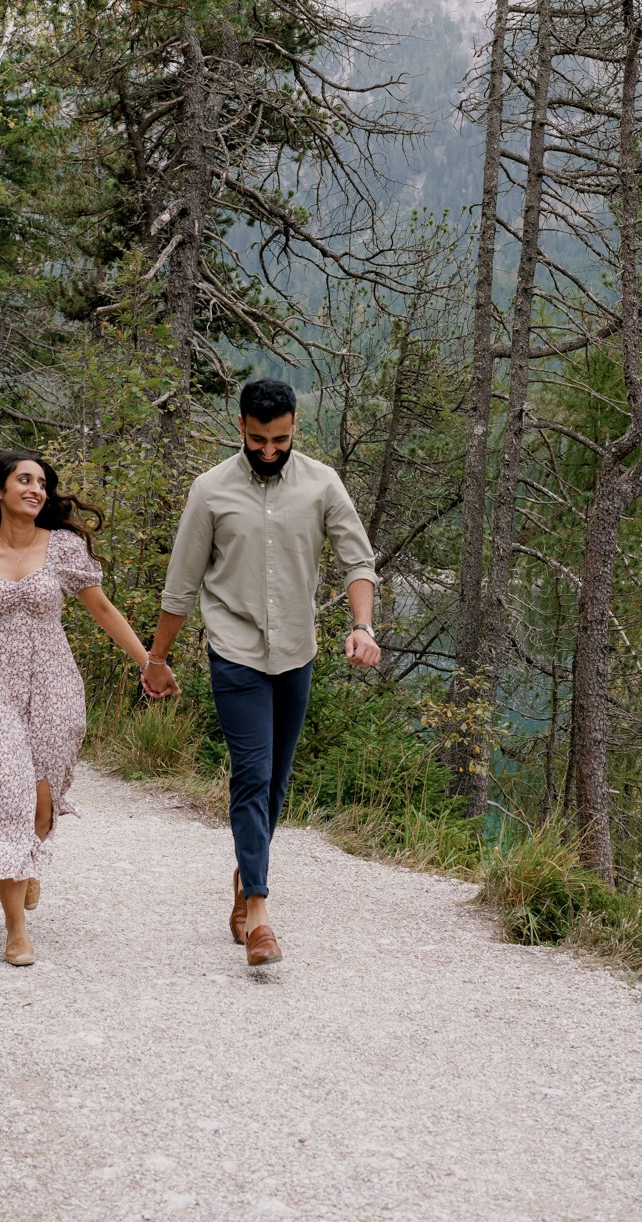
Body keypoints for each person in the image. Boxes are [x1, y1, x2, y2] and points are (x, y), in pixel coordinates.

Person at [144, 379, 381, 966]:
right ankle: (260, 914)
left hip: (297, 652)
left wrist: (362, 625)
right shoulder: (211, 490)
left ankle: (244, 872)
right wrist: (157, 658)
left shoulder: (323, 483)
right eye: (257, 439)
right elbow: (181, 585)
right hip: (234, 651)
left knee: (275, 784)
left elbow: (358, 559)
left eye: (279, 439)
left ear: (295, 425)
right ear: (240, 425)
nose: (269, 451)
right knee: (251, 775)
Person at [0, 452, 157, 966]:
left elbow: (100, 608)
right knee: (7, 791)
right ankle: (15, 929)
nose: (36, 489)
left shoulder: (66, 548)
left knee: (40, 800)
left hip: (53, 679)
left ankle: (29, 859)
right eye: (24, 480)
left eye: (42, 483)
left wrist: (148, 662)